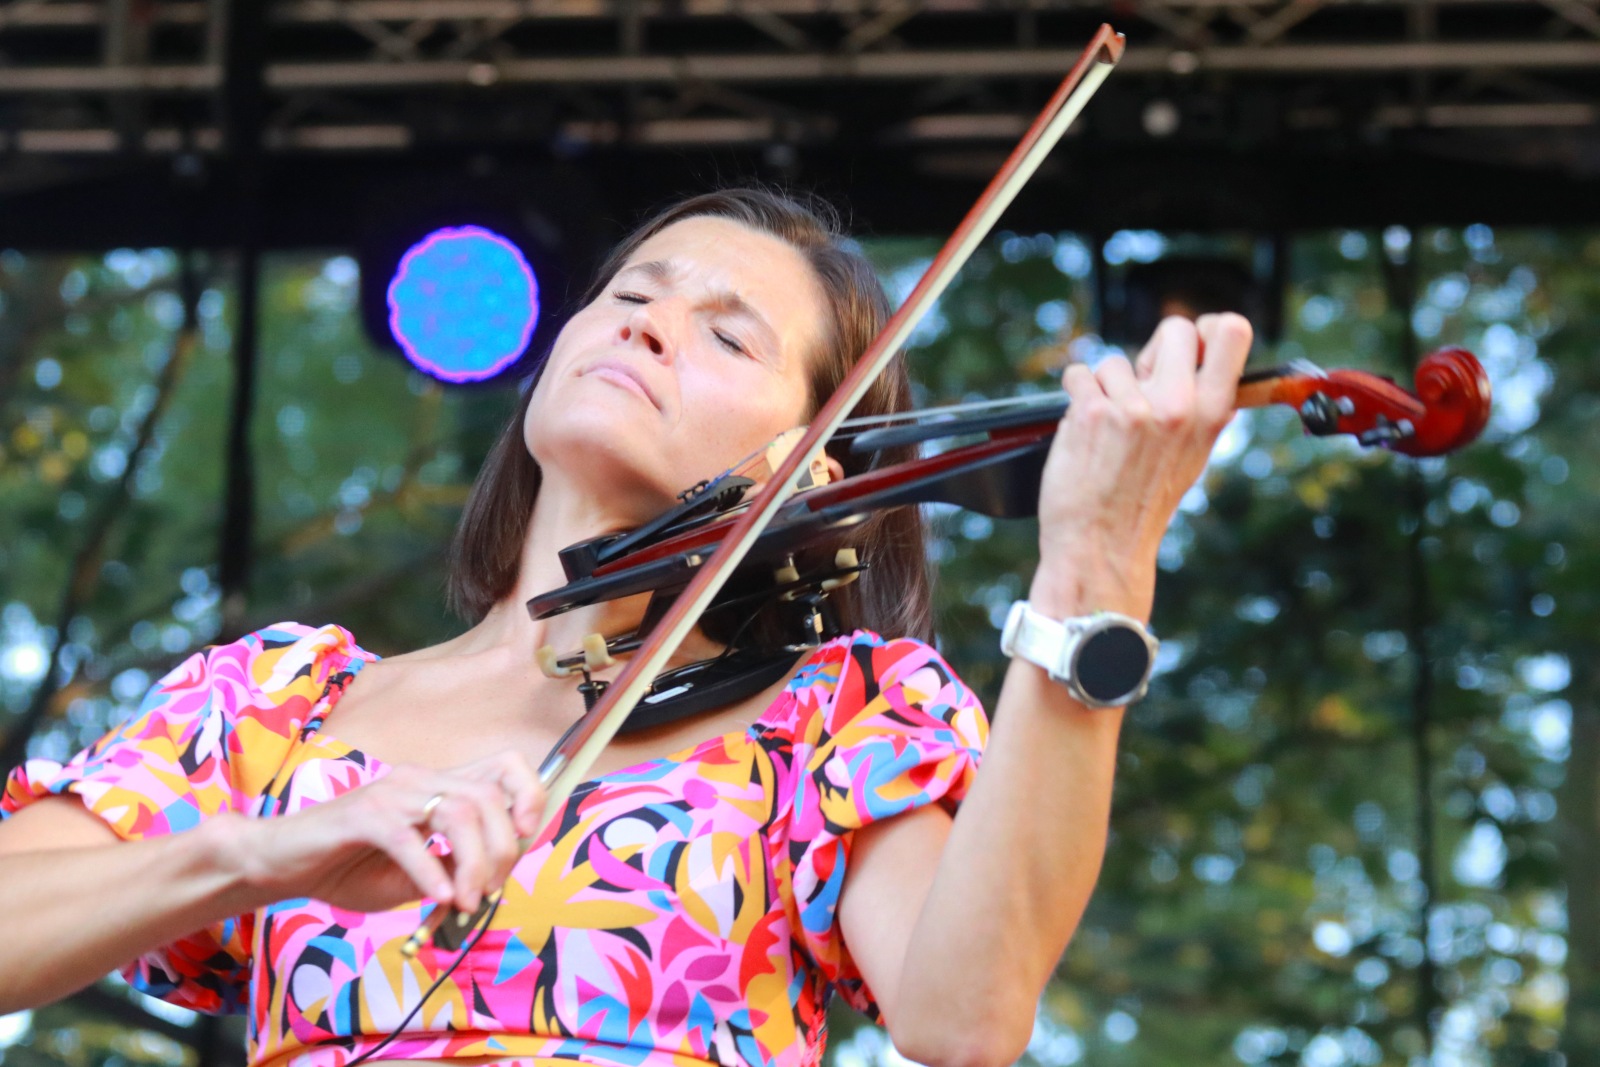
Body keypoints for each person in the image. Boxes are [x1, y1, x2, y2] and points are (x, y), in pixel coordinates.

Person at [0, 188, 1251, 1067]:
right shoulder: (275, 704)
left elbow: (965, 1015)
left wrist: (1096, 561)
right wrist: (251, 857)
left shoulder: (833, 713)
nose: (646, 323)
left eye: (726, 334)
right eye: (630, 294)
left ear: (804, 460)